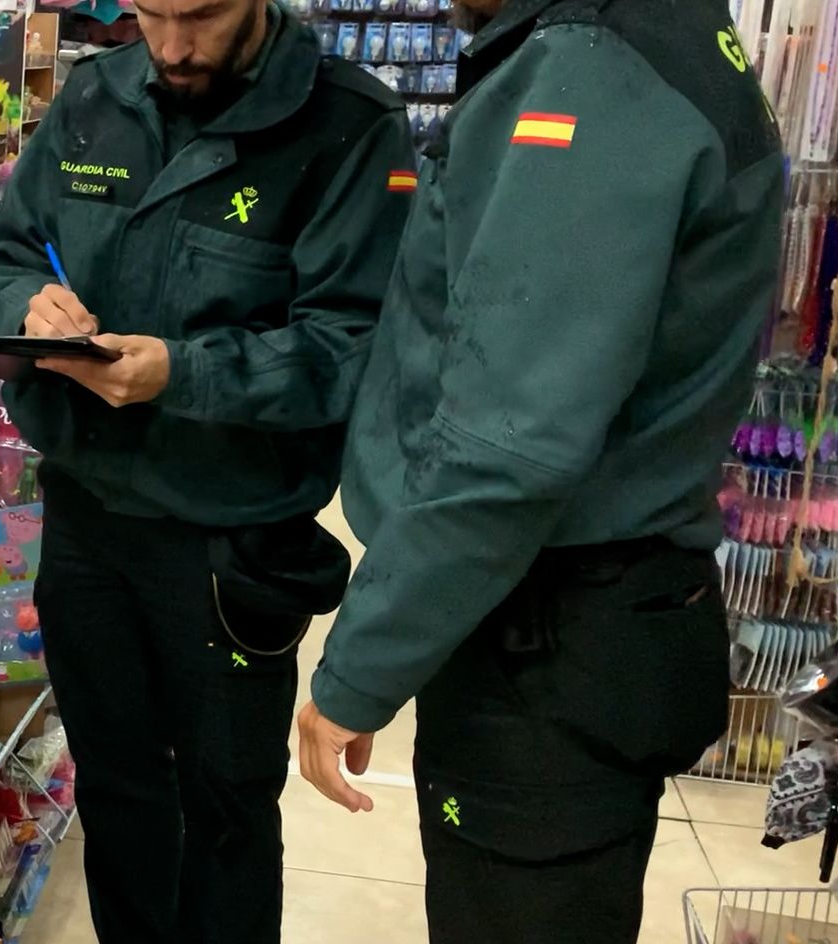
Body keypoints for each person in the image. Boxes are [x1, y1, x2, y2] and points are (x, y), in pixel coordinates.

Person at [296, 0, 784, 941]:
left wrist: (358, 671)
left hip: (549, 636)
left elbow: (506, 448)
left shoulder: (595, 71)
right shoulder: (666, 39)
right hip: (584, 620)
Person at [0, 0, 417, 939]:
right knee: (120, 797)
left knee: (224, 812)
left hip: (229, 543)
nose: (172, 46)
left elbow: (350, 348)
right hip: (88, 524)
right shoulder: (93, 97)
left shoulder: (348, 125)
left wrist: (184, 372)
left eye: (202, 16)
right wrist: (28, 307)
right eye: (151, 13)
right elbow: (9, 257)